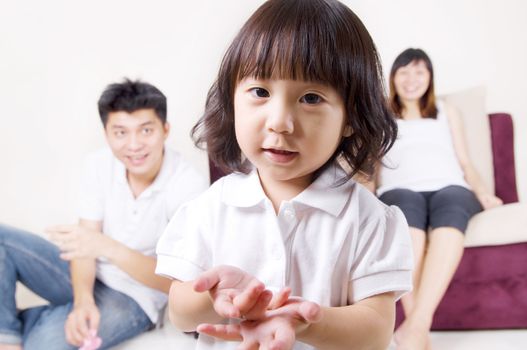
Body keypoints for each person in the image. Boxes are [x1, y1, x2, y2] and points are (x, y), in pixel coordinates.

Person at [155, 1, 414, 349]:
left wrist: (305, 324)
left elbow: (377, 330)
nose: (279, 121)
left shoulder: (368, 219)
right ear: (231, 99)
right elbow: (179, 312)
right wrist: (215, 298)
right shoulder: (210, 208)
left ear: (351, 117)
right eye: (260, 92)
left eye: (310, 98)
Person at [0, 79, 208, 350]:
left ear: (165, 130)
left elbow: (178, 283)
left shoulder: (188, 185)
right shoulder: (98, 164)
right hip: (88, 274)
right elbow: (85, 246)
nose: (134, 145)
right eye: (120, 133)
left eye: (146, 130)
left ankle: (22, 327)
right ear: (107, 133)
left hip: (135, 297)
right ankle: (7, 338)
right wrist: (83, 300)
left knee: (43, 345)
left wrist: (107, 247)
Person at [375, 48, 503, 350]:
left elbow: (465, 162)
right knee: (411, 231)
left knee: (451, 216)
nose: (411, 79)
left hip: (450, 186)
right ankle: (417, 329)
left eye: (420, 72)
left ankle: (416, 326)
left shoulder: (446, 111)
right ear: (393, 77)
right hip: (400, 189)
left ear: (430, 78)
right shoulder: (380, 112)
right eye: (404, 71)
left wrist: (482, 192)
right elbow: (372, 164)